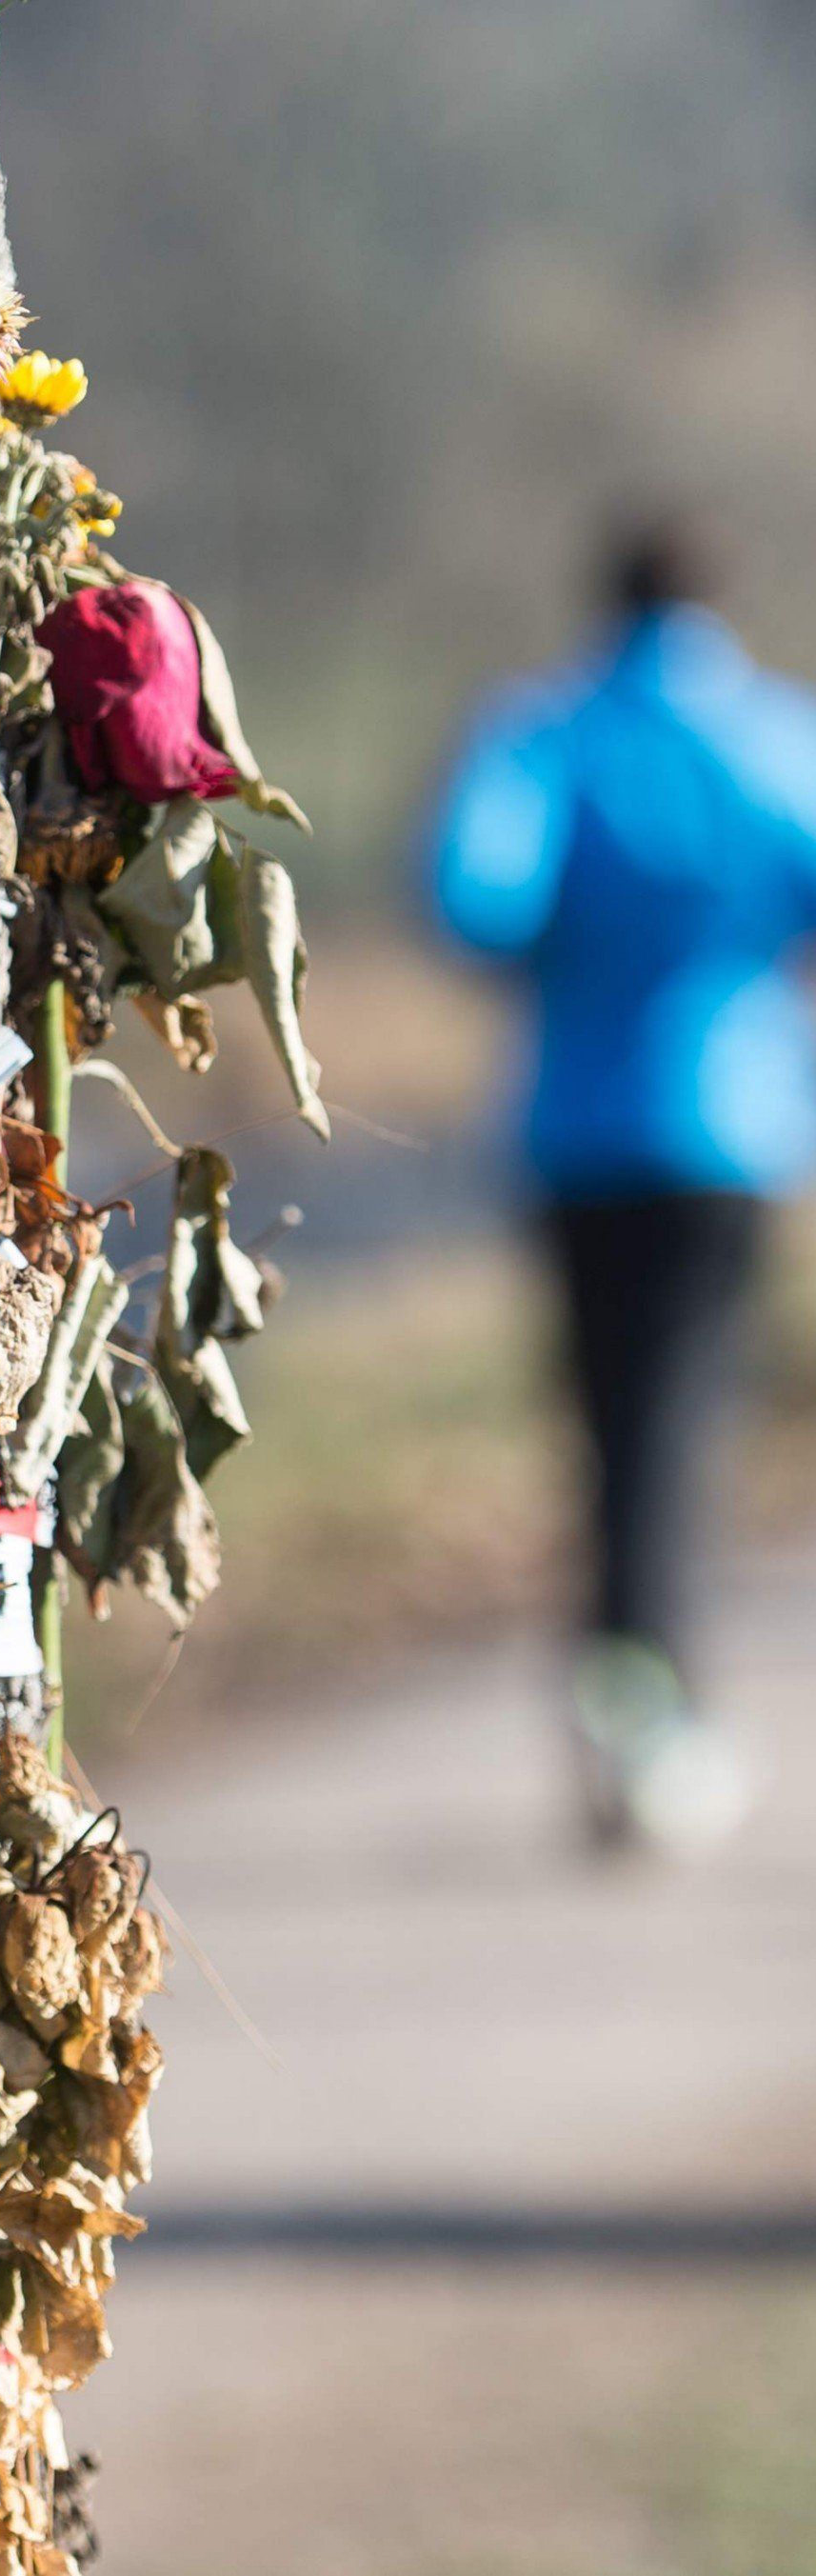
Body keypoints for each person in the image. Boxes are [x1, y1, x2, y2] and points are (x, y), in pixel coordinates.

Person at [428, 514, 816, 1852]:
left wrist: (580, 949)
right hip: (733, 1129)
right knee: (679, 1420)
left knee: (612, 1422)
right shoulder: (775, 735)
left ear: (604, 601)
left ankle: (626, 1700)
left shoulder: (544, 734)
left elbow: (475, 898)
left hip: (580, 1133)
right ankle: (652, 1708)